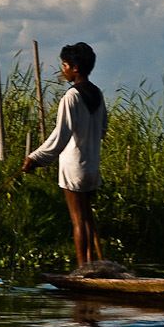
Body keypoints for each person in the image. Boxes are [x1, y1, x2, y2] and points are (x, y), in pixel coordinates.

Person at [22, 42, 107, 267]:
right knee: (88, 220)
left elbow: (60, 137)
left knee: (78, 222)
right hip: (91, 167)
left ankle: (82, 270)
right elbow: (103, 130)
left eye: (65, 65)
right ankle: (90, 265)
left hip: (74, 167)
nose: (63, 70)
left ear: (75, 68)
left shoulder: (71, 97)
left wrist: (35, 158)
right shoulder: (97, 94)